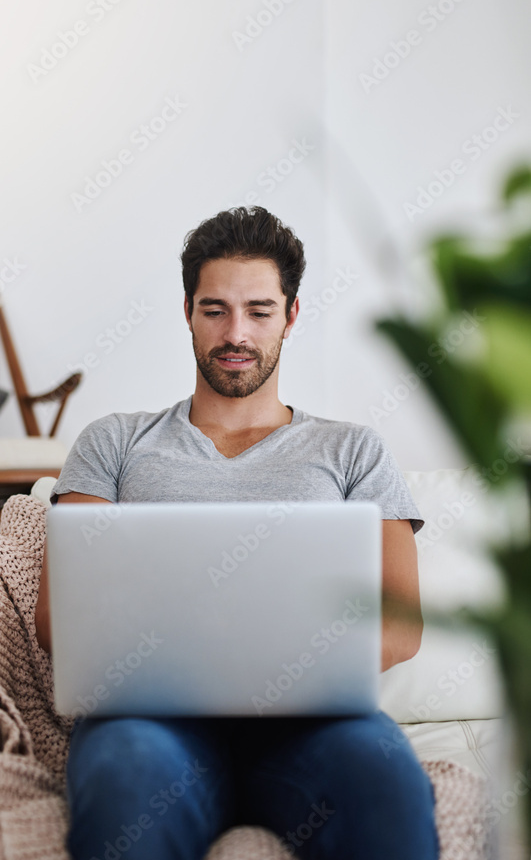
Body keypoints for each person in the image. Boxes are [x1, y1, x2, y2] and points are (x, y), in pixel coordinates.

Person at [36, 206, 439, 859]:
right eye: (215, 309)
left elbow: (400, 626)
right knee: (125, 777)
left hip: (317, 726)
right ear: (188, 312)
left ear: (291, 315)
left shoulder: (353, 451)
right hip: (150, 724)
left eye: (258, 310)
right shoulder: (112, 442)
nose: (236, 332)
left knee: (385, 782)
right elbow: (62, 617)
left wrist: (280, 670)